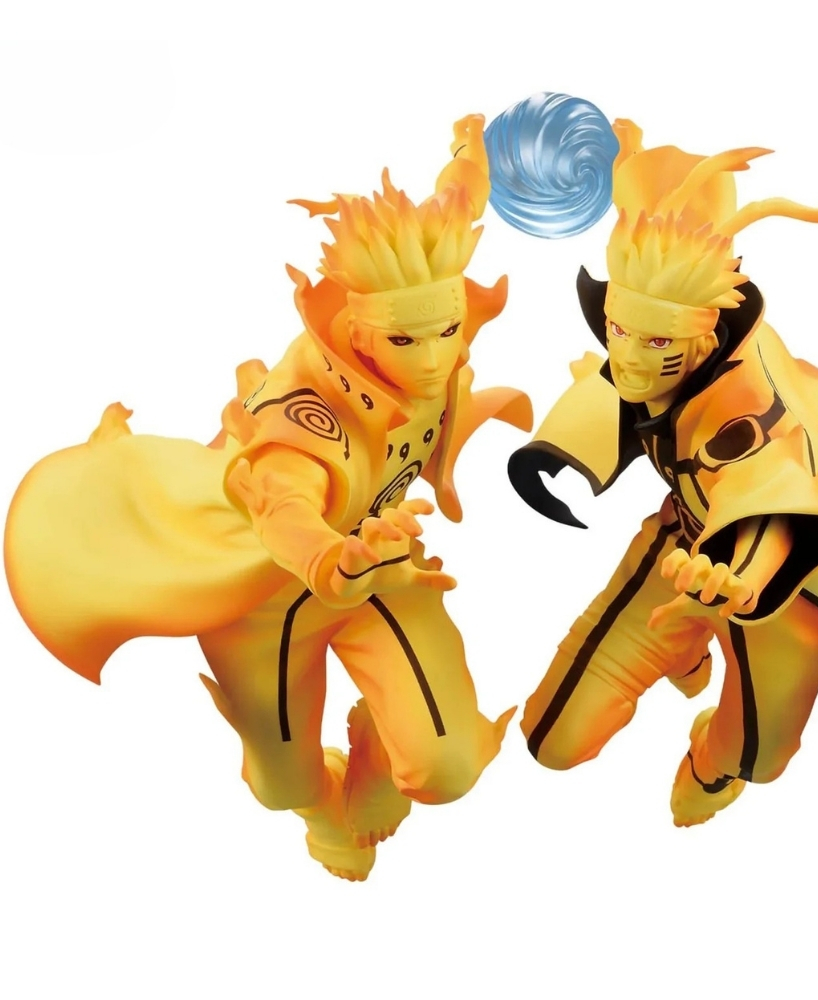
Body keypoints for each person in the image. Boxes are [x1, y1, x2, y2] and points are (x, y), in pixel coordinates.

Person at [5, 114, 531, 880]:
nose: (433, 358)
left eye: (448, 330)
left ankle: (378, 753)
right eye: (406, 341)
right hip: (265, 604)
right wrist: (329, 559)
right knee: (282, 787)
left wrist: (470, 156)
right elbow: (284, 508)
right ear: (357, 330)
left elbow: (448, 216)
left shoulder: (425, 319)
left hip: (377, 573)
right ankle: (322, 811)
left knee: (447, 767)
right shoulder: (303, 418)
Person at [508, 120, 818, 827]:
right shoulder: (648, 356)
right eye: (618, 330)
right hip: (683, 549)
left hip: (782, 594)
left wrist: (736, 579)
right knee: (551, 741)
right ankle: (685, 656)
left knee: (756, 759)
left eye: (657, 341)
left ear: (705, 335)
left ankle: (711, 760)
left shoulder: (750, 406)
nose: (631, 357)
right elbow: (617, 385)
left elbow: (774, 498)